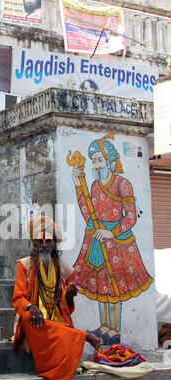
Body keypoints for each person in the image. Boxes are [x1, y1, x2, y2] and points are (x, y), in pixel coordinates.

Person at [12, 215, 103, 380]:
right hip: (36, 323)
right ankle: (83, 336)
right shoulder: (25, 265)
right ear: (34, 243)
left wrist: (69, 297)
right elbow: (17, 298)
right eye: (40, 241)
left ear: (54, 244)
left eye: (48, 241)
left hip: (57, 324)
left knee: (61, 343)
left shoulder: (63, 269)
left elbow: (67, 309)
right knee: (29, 318)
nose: (44, 244)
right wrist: (30, 306)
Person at [71, 134, 153, 345]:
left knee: (116, 286)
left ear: (109, 161)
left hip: (119, 242)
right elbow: (89, 214)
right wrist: (78, 186)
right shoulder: (96, 186)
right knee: (101, 286)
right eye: (94, 161)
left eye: (100, 160)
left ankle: (115, 329)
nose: (97, 165)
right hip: (97, 238)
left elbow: (131, 216)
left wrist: (112, 232)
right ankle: (105, 326)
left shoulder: (122, 184)